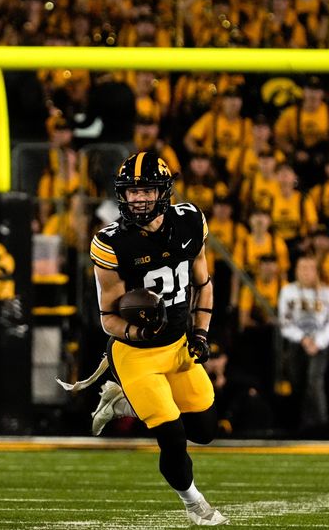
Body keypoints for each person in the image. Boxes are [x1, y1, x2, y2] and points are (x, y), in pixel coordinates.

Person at [88, 152, 227, 525]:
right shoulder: (111, 242)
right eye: (131, 193)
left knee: (205, 431)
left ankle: (125, 402)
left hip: (178, 345)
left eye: (146, 190)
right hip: (135, 353)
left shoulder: (190, 221)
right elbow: (107, 320)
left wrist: (200, 333)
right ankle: (194, 503)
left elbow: (204, 284)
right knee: (173, 436)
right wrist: (138, 330)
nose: (137, 199)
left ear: (164, 191)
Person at [277, 254, 329, 431]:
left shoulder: (327, 293)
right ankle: (300, 425)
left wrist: (317, 343)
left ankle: (320, 425)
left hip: (320, 345)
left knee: (314, 382)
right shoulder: (288, 291)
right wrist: (303, 339)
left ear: (316, 271)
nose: (305, 272)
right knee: (297, 383)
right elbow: (285, 322)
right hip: (296, 344)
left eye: (309, 268)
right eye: (301, 268)